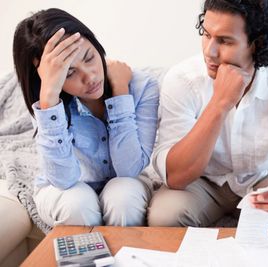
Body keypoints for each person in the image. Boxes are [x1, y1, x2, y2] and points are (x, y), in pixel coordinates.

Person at [148, 0, 268, 228]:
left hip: (260, 179)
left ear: (257, 43)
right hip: (201, 182)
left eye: (224, 41)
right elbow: (175, 176)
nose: (209, 51)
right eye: (206, 35)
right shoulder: (183, 79)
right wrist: (220, 103)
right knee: (165, 216)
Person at [13, 8, 159, 227]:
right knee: (77, 204)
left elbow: (129, 169)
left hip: (126, 182)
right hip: (64, 190)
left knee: (123, 197)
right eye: (69, 73)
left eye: (89, 57)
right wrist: (50, 99)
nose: (89, 77)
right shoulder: (46, 100)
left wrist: (120, 91)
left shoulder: (141, 86)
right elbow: (64, 179)